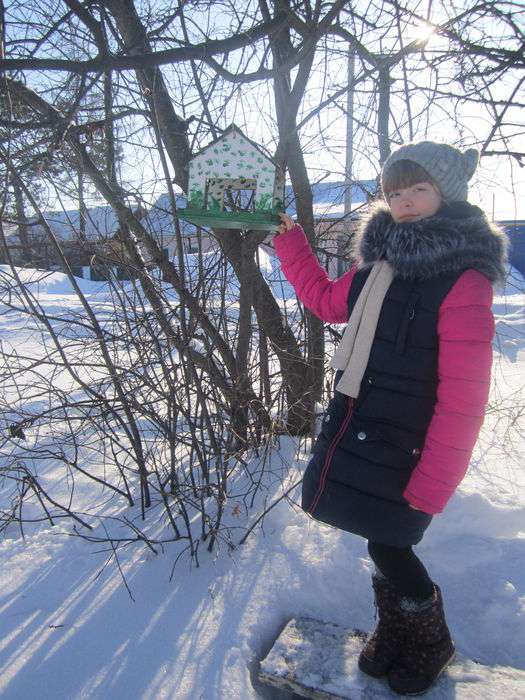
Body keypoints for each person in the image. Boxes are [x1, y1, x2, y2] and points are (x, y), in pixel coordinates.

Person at [272, 141, 508, 695]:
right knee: (380, 538)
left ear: (446, 193)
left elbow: (464, 397)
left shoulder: (464, 283)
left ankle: (428, 640)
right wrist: (290, 242)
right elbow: (327, 302)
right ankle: (398, 631)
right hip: (362, 423)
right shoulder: (378, 268)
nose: (403, 201)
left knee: (391, 543)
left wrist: (434, 480)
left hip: (412, 445)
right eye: (394, 191)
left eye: (417, 189)